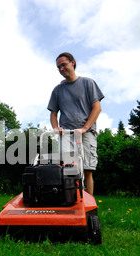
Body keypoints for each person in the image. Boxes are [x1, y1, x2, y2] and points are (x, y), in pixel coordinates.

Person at [47, 52, 104, 196]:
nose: (61, 69)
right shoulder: (57, 90)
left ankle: (89, 208)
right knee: (69, 170)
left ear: (73, 62)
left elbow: (97, 108)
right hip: (66, 134)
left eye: (63, 65)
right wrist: (56, 128)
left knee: (87, 170)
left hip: (87, 133)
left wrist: (85, 128)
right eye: (58, 67)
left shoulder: (87, 83)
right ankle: (71, 203)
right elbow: (53, 114)